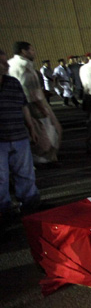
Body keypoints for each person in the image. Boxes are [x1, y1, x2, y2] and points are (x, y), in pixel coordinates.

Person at [0, 48, 40, 221]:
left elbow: (23, 106)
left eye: (5, 61)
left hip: (19, 136)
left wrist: (30, 126)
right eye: (1, 62)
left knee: (25, 172)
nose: (5, 65)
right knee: (1, 178)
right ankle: (4, 209)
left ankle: (30, 203)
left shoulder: (12, 83)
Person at [8, 42, 62, 165]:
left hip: (16, 106)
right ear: (24, 51)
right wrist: (42, 108)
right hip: (32, 105)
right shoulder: (25, 66)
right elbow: (31, 92)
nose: (34, 52)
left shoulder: (10, 64)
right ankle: (44, 159)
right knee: (49, 132)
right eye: (32, 50)